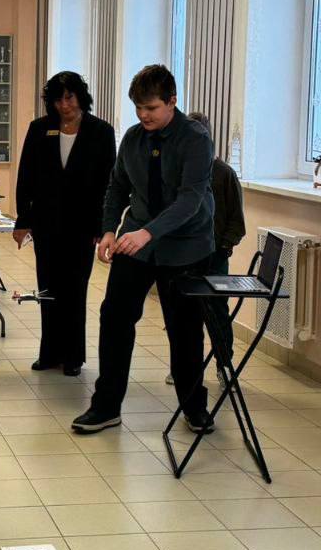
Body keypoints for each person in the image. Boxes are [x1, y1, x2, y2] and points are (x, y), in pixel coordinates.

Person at [71, 65, 216, 435]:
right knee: (115, 318)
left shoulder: (195, 139)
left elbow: (191, 200)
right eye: (138, 107)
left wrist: (148, 233)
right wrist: (108, 230)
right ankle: (106, 406)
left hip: (184, 246)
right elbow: (117, 187)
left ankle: (194, 407)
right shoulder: (133, 138)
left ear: (172, 101)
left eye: (151, 108)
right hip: (136, 242)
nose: (143, 115)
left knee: (184, 329)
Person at [12, 71, 116, 377]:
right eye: (58, 100)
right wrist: (23, 219)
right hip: (46, 223)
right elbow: (26, 176)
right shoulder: (40, 128)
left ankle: (73, 355)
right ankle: (49, 352)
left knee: (74, 289)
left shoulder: (101, 131)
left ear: (80, 96)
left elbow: (108, 184)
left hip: (82, 225)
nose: (64, 105)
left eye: (69, 98)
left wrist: (101, 226)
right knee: (48, 287)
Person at [188, 110, 245, 273]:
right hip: (183, 256)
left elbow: (236, 221)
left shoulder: (225, 174)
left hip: (215, 258)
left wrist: (224, 247)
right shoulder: (178, 171)